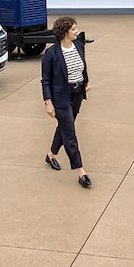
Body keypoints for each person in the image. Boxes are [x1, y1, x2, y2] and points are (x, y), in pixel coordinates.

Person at [41, 15, 91, 188]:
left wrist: (86, 82)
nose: (77, 32)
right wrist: (48, 102)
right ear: (64, 32)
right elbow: (45, 80)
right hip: (61, 96)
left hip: (77, 94)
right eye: (73, 29)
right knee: (70, 132)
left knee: (64, 126)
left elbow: (83, 65)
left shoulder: (79, 45)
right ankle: (81, 171)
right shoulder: (51, 54)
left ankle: (51, 155)